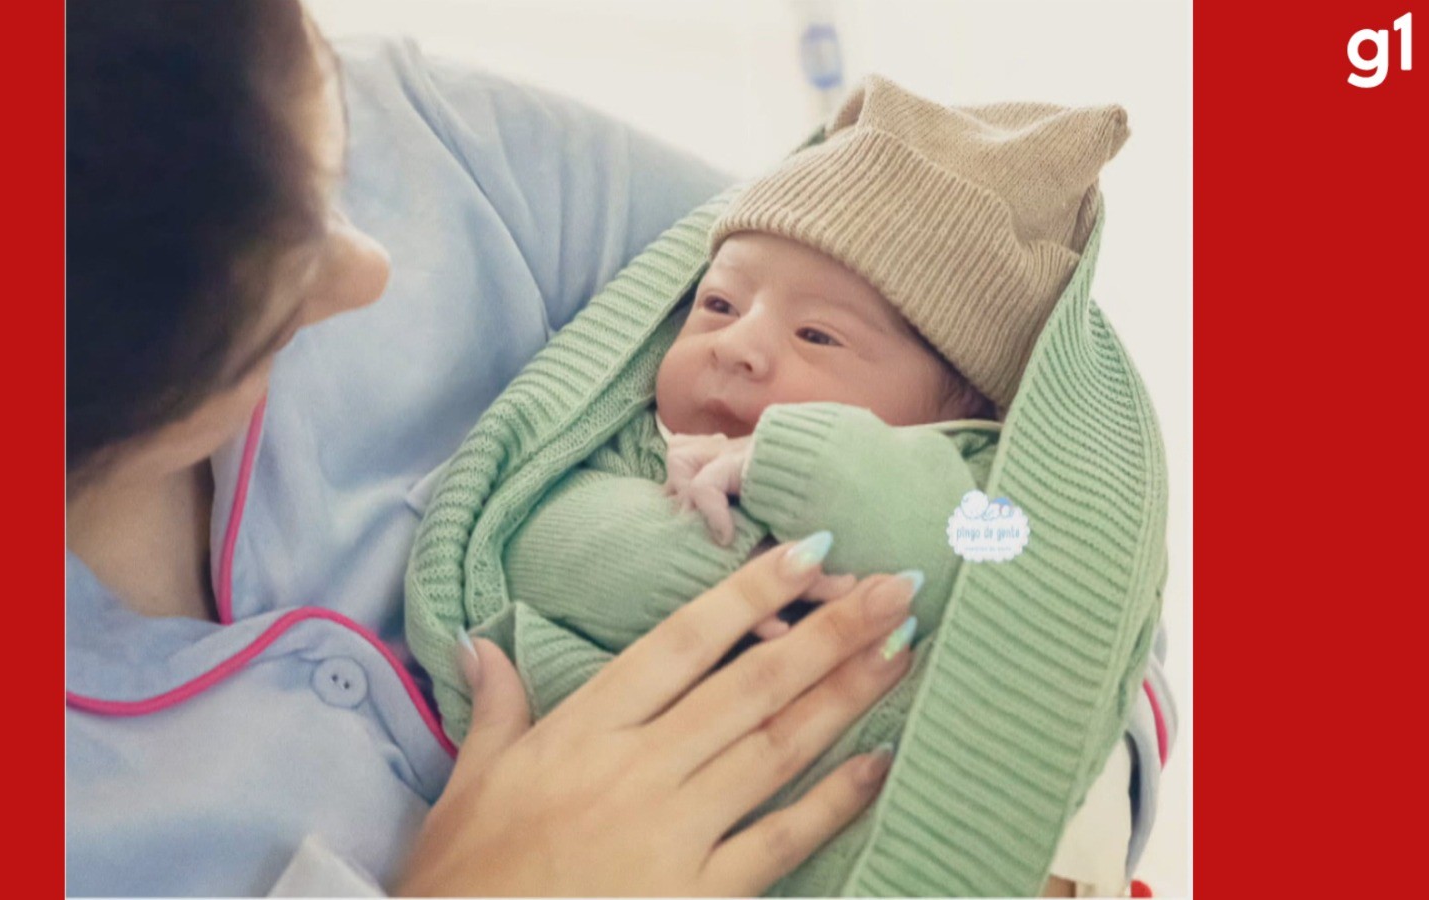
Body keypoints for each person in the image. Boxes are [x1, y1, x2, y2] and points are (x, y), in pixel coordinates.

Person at [65, 1, 927, 895]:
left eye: (328, 146)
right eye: (262, 314)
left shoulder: (431, 145)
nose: (367, 271)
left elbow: (982, 381)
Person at [407, 76, 1168, 897]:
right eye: (719, 302)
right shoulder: (634, 444)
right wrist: (726, 574)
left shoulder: (979, 493)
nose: (740, 344)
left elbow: (1009, 564)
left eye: (818, 334)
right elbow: (528, 544)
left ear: (964, 406)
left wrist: (808, 464)